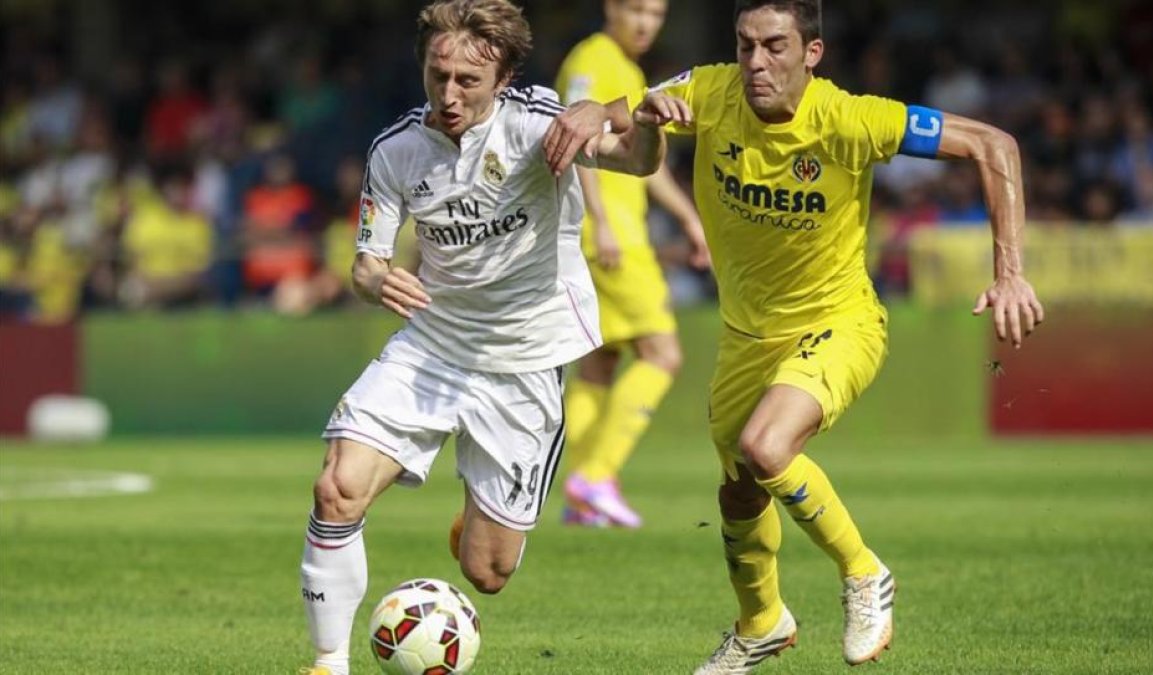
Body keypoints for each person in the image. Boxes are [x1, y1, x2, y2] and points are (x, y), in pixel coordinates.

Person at [548, 0, 1044, 671]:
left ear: (812, 53)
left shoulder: (851, 117)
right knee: (739, 492)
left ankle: (864, 572)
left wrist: (1010, 272)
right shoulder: (709, 88)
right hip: (745, 338)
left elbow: (995, 144)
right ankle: (762, 623)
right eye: (746, 45)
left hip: (837, 322)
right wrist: (603, 114)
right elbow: (627, 121)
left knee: (765, 443)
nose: (757, 63)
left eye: (776, 47)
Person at [297, 1, 664, 674]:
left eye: (469, 80)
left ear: (505, 76)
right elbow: (364, 264)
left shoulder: (538, 123)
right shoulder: (397, 149)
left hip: (524, 360)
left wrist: (613, 112)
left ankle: (479, 520)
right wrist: (378, 283)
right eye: (438, 75)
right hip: (433, 342)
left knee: (487, 571)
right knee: (336, 488)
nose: (449, 94)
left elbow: (637, 160)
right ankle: (327, 661)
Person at [554, 0, 710, 528]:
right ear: (610, 8)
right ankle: (596, 475)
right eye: (637, 10)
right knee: (662, 354)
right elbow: (577, 139)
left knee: (600, 363)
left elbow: (644, 161)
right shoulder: (589, 60)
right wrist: (599, 220)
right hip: (611, 236)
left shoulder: (629, 70)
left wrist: (687, 216)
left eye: (657, 13)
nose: (646, 23)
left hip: (608, 233)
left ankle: (582, 496)